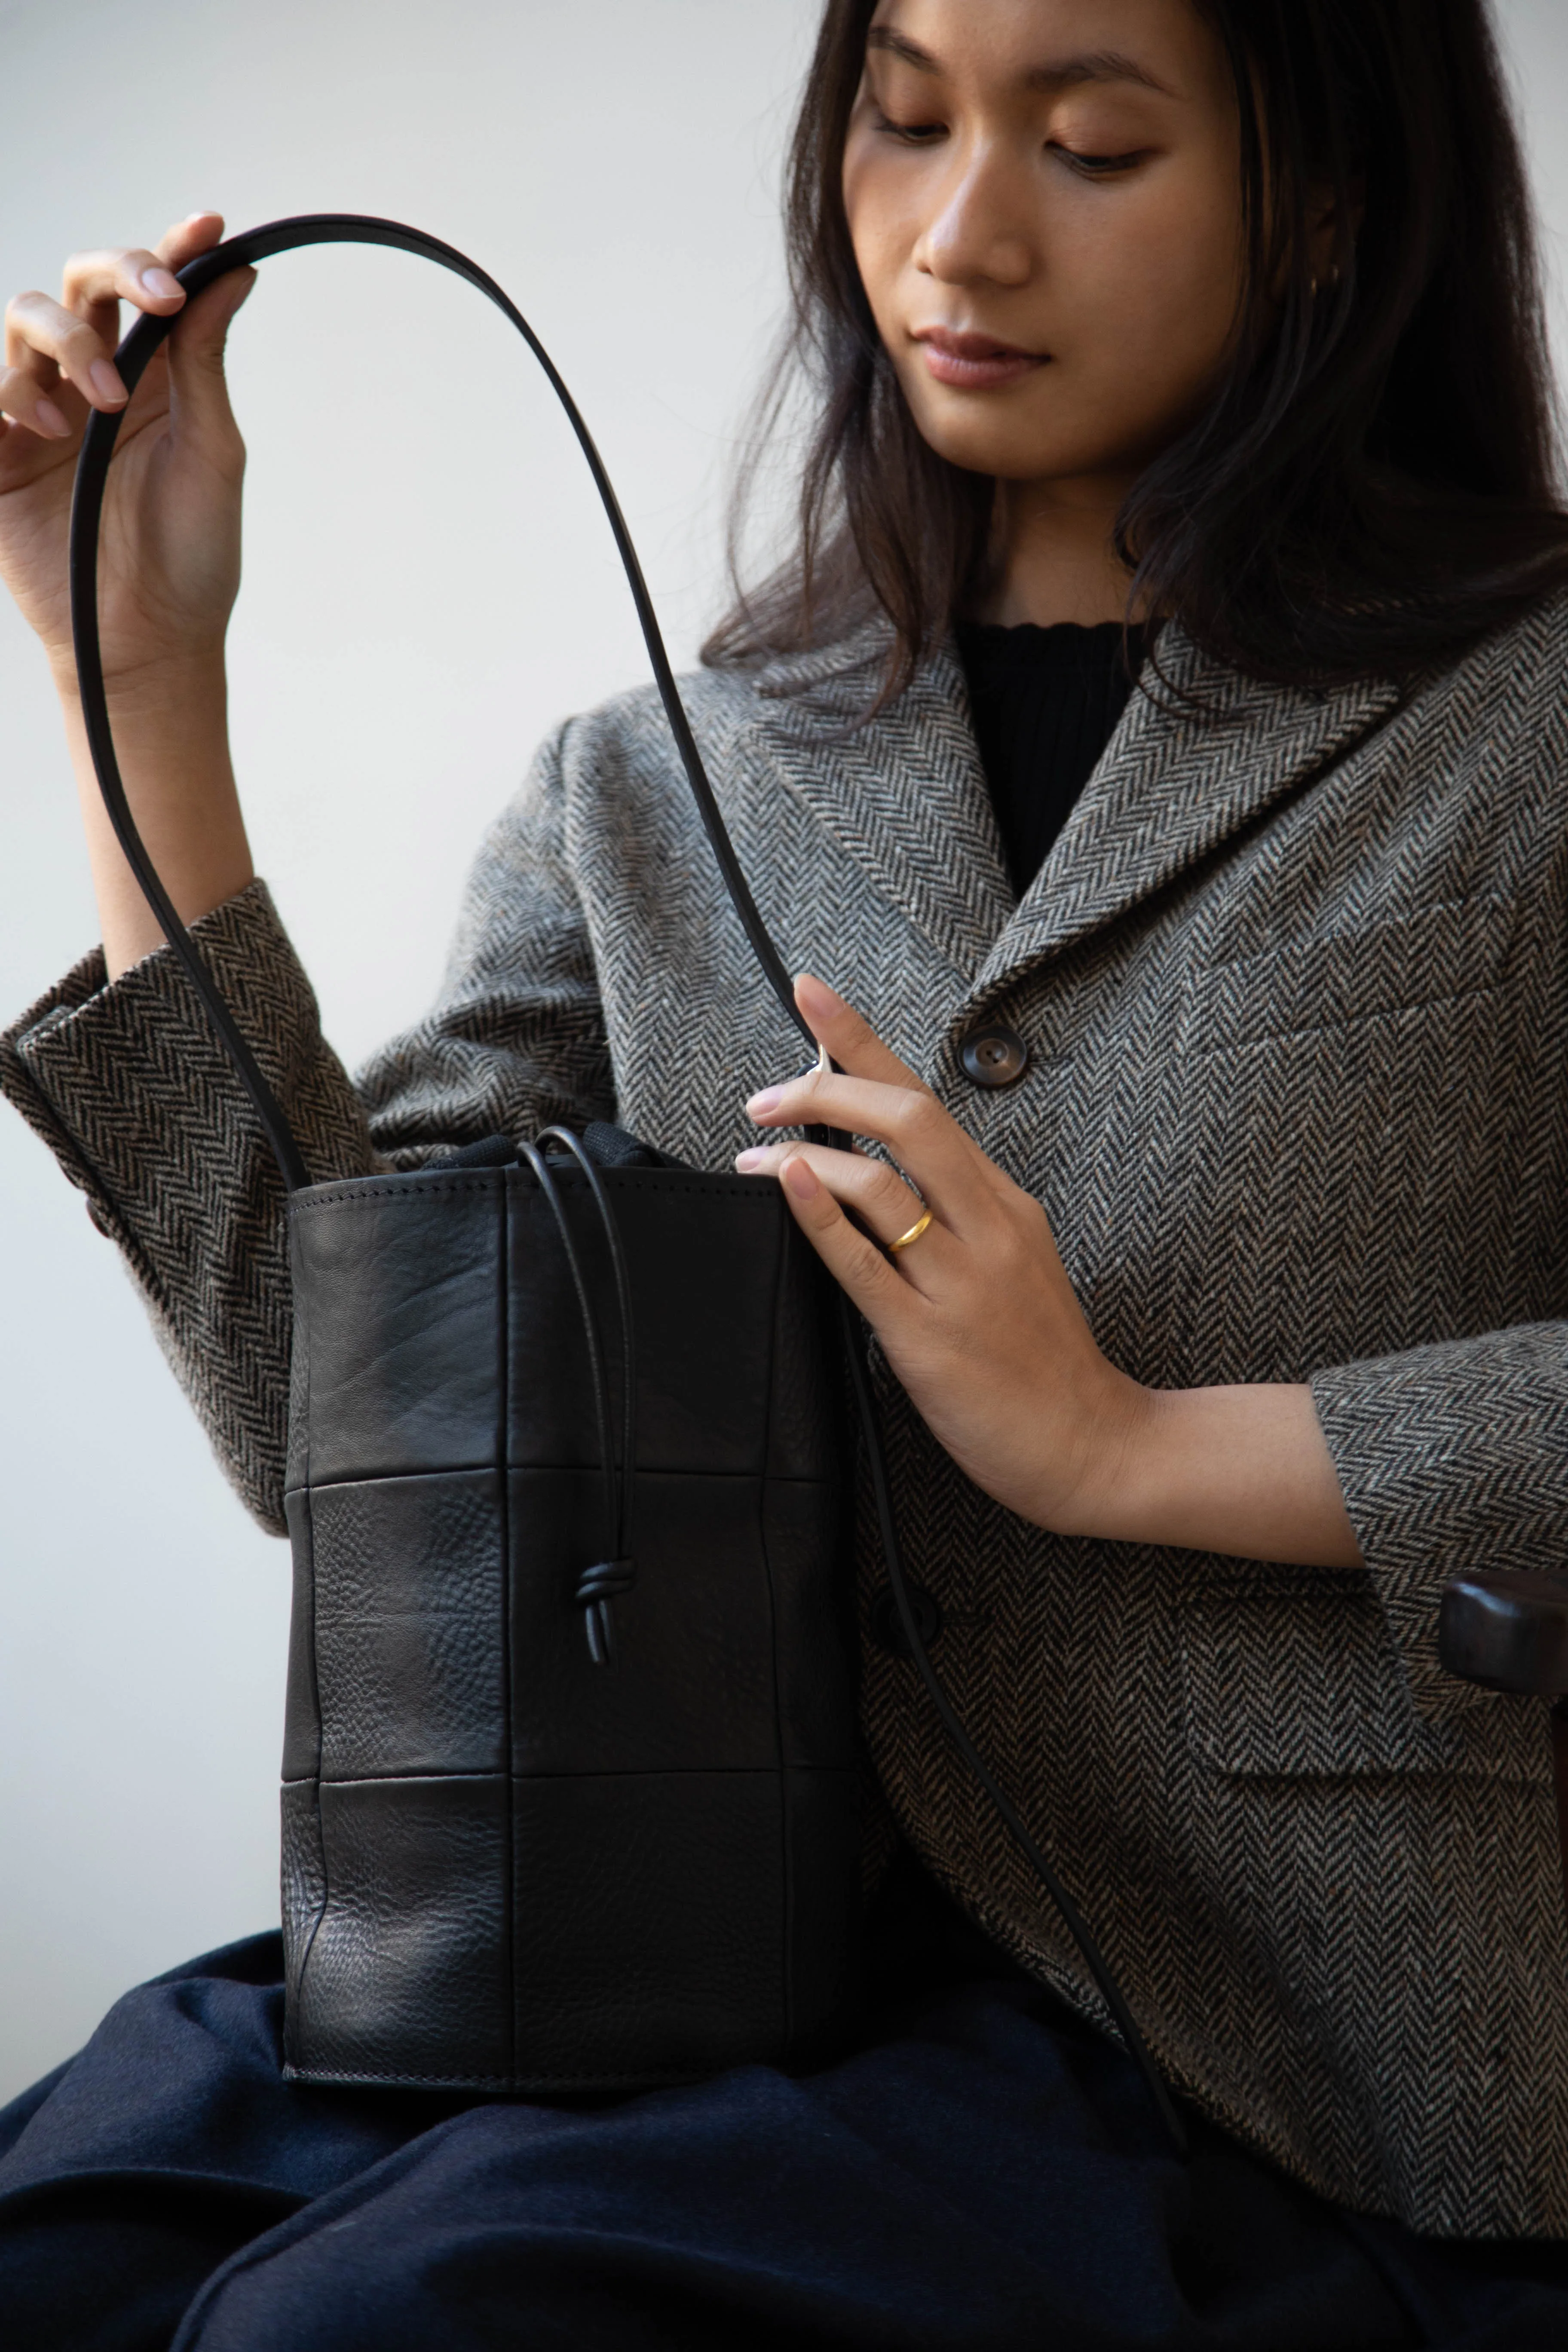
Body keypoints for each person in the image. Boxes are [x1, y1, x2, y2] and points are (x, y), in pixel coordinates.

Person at [3, 0, 1568, 2342]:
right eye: (903, 115)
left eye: (1095, 142)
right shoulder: (653, 776)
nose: (956, 231)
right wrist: (137, 679)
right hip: (637, 1940)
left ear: (1329, 202)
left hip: (1277, 2049)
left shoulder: (1525, 719)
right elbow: (351, 1440)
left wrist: (1128, 1447)